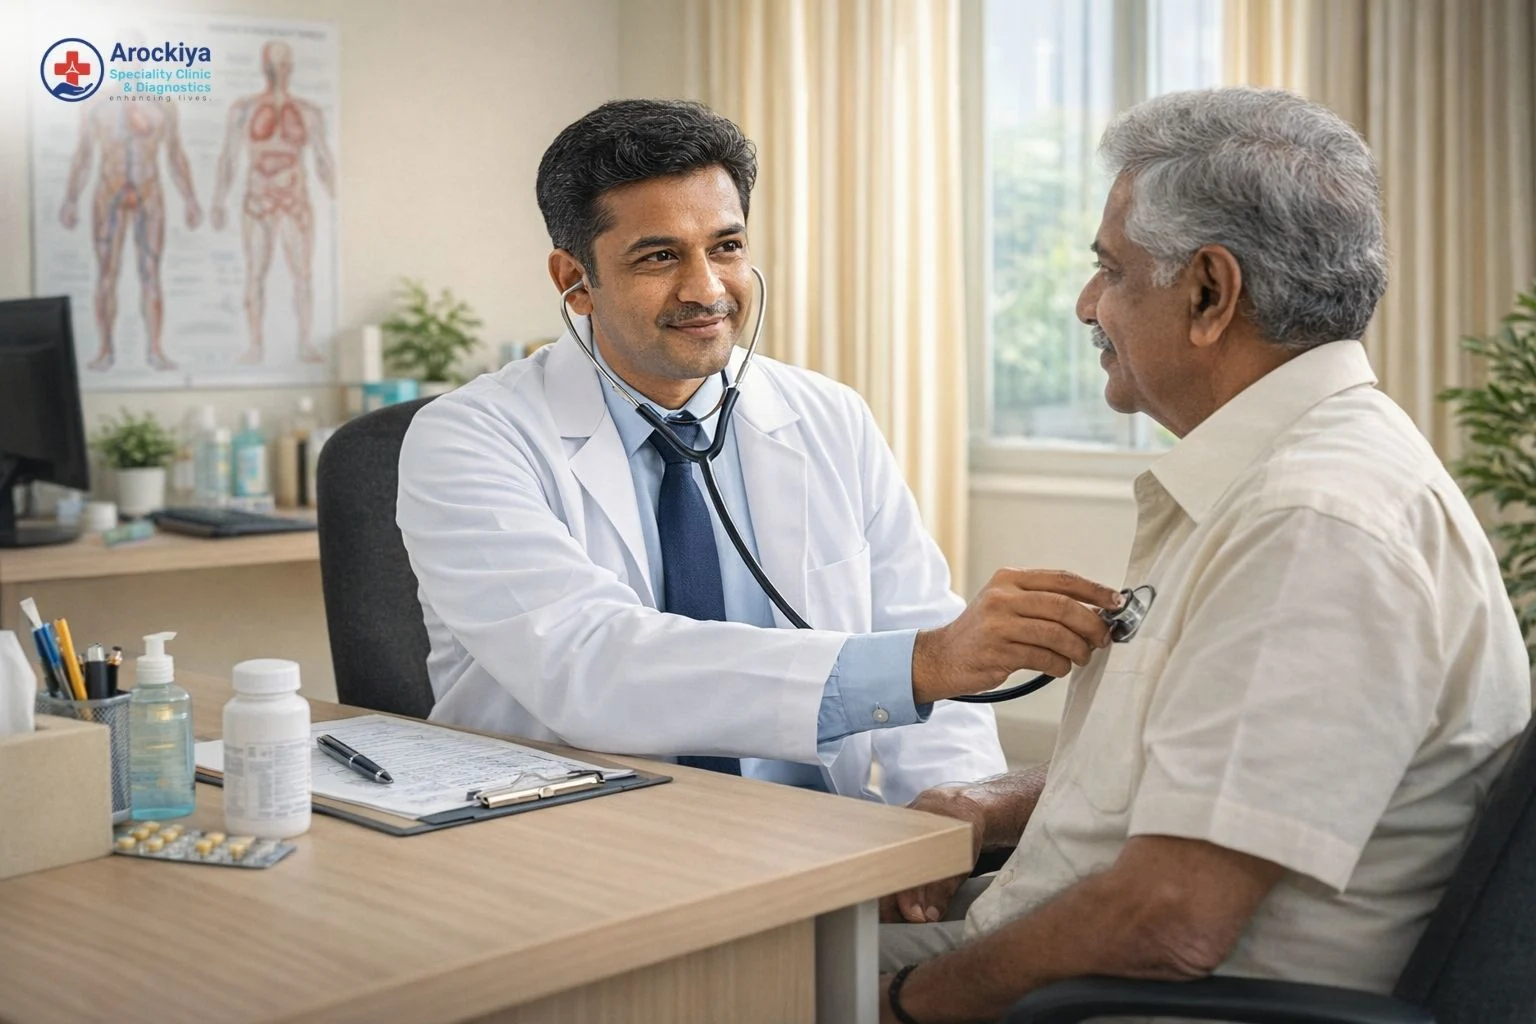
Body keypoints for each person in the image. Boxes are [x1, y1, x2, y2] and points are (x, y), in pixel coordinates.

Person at [876, 87, 1532, 1023]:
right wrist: (996, 798)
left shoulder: (1314, 522)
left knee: (725, 979)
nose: (1084, 304)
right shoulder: (1286, 476)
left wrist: (903, 1004)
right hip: (1064, 953)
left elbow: (1170, 921)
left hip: (1133, 1001)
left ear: (1209, 293)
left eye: (1110, 269)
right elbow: (1213, 773)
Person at [396, 99, 1125, 803]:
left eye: (727, 247)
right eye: (658, 257)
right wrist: (919, 665)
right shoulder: (469, 438)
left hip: (808, 836)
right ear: (574, 281)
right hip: (579, 835)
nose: (706, 288)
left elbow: (920, 633)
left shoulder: (828, 416)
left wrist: (951, 811)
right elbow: (591, 666)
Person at [210, 40, 336, 366]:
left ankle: (305, 342)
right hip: (258, 196)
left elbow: (323, 158)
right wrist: (219, 200)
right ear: (263, 66)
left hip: (294, 196)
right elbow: (228, 156)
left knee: (303, 274)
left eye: (283, 65)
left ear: (290, 67)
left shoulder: (309, 113)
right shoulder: (244, 110)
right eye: (272, 64)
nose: (277, 72)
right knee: (255, 272)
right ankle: (255, 345)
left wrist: (334, 196)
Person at [59, 85, 202, 372]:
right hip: (109, 189)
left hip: (148, 189)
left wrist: (190, 198)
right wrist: (71, 198)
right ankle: (105, 349)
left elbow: (175, 153)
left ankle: (155, 349)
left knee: (151, 272)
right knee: (106, 274)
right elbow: (84, 154)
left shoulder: (162, 103)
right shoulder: (95, 103)